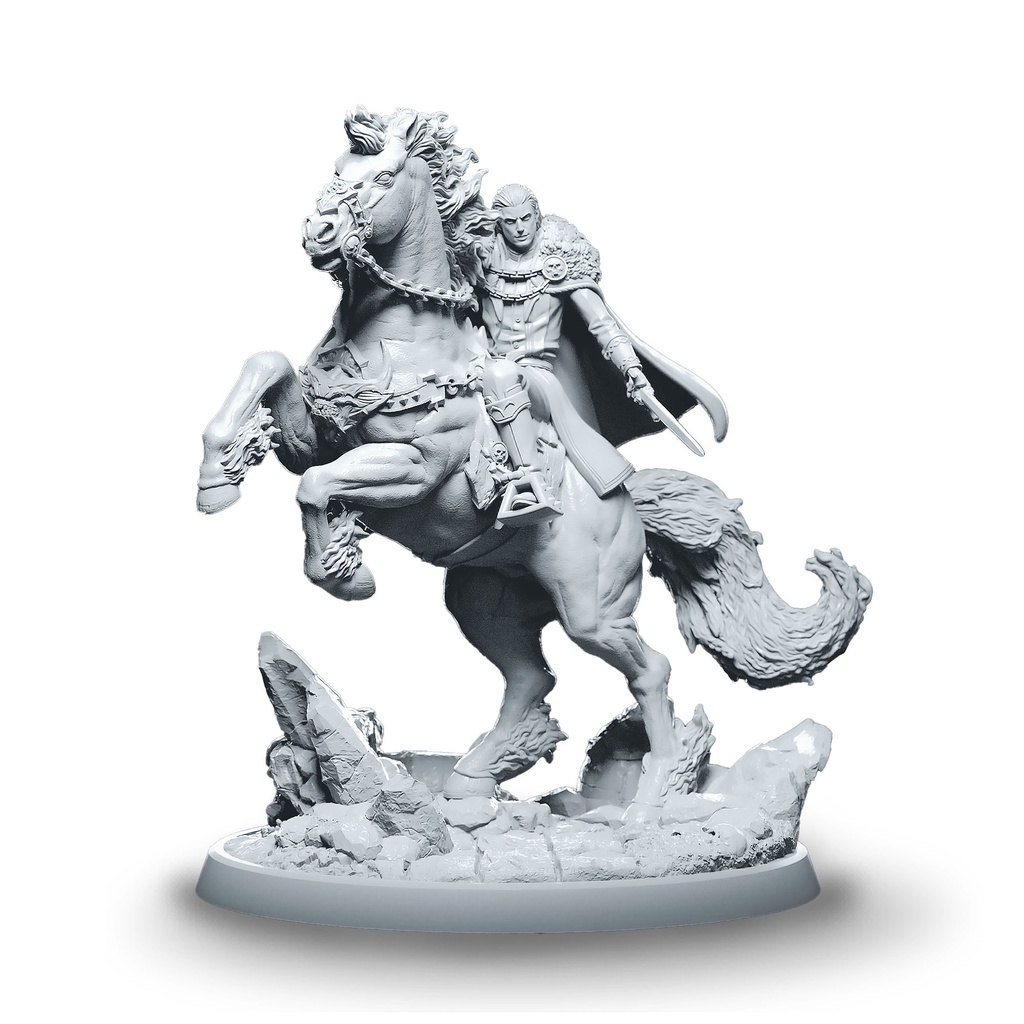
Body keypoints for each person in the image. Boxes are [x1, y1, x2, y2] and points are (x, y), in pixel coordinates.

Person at [478, 184, 724, 526]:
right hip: (479, 370)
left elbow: (603, 325)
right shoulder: (483, 260)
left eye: (526, 218)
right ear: (498, 224)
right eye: (510, 222)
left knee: (501, 375)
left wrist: (632, 369)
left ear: (537, 216)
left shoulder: (560, 261)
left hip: (536, 378)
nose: (520, 228)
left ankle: (528, 485)